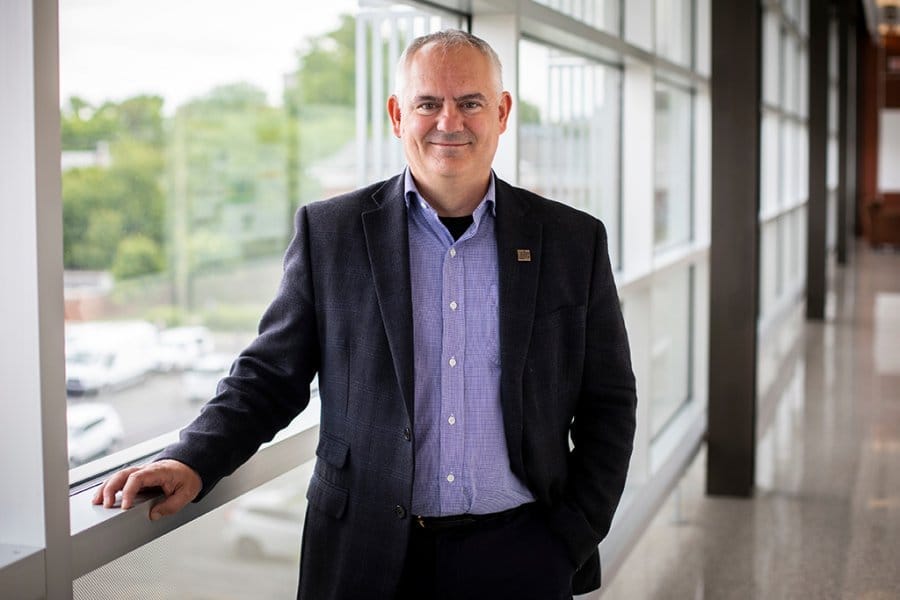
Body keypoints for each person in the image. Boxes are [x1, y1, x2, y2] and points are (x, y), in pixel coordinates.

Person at [93, 29, 637, 600]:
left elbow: (609, 401)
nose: (448, 121)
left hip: (522, 556)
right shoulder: (330, 234)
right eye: (428, 103)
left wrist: (570, 537)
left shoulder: (572, 240)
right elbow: (269, 377)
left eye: (470, 103)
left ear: (501, 113)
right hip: (364, 555)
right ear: (398, 115)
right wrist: (192, 458)